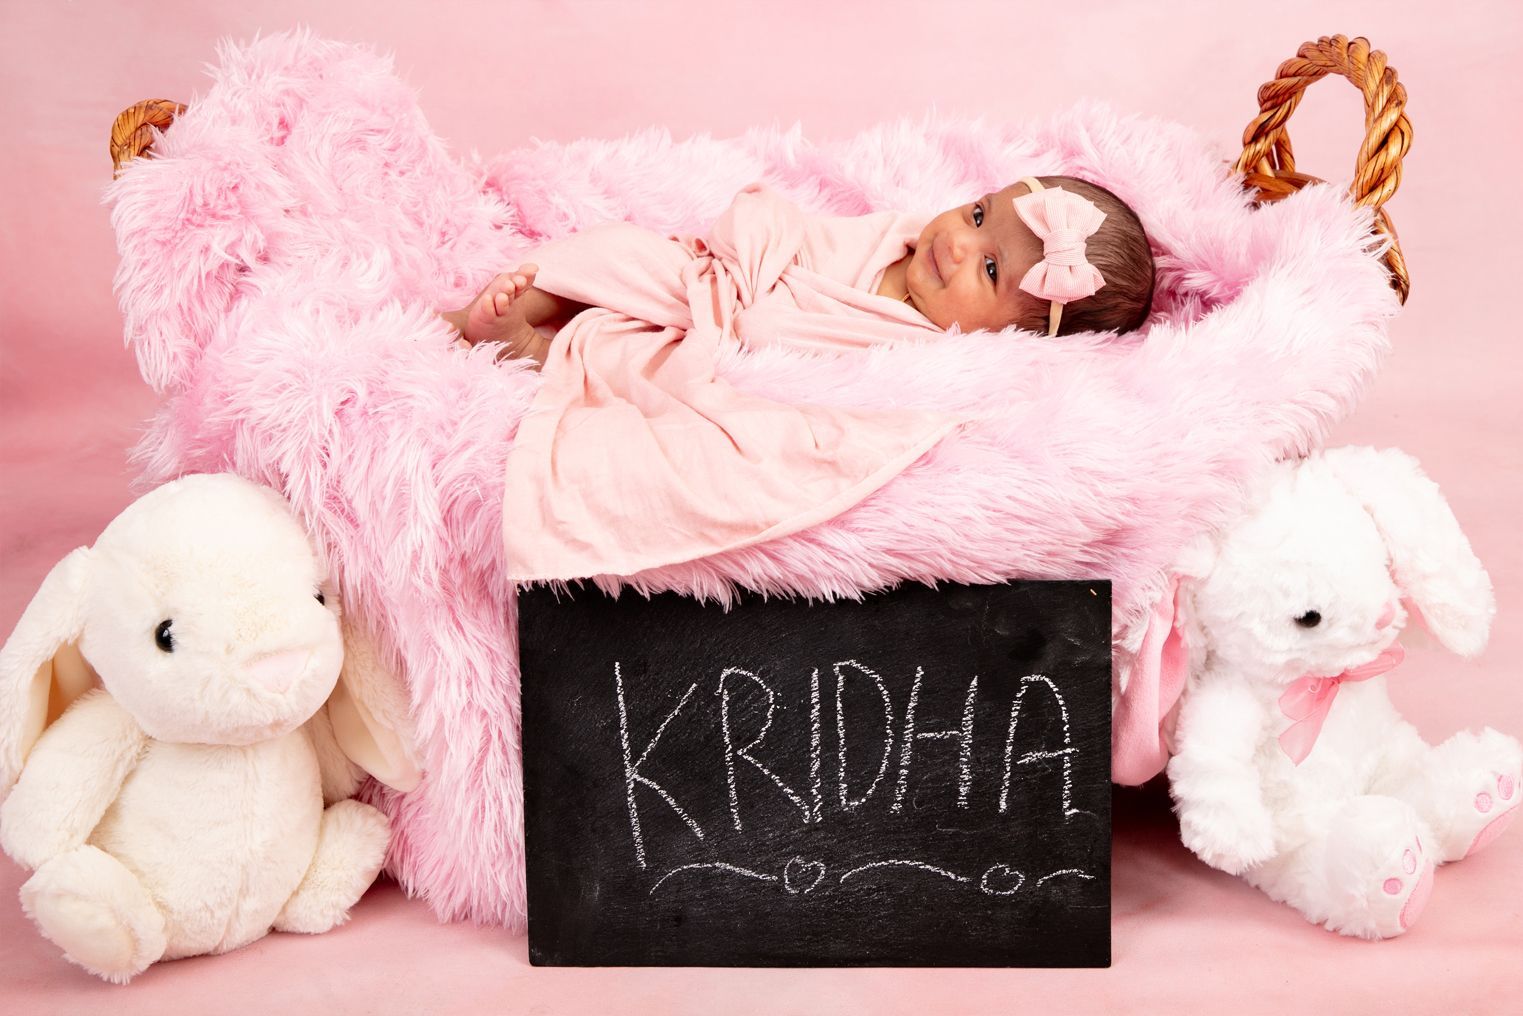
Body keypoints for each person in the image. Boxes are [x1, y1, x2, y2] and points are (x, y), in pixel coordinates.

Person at [446, 178, 1155, 582]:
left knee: (630, 364)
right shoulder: (906, 236)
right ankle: (521, 310)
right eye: (976, 214)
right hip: (716, 286)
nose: (958, 243)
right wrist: (750, 260)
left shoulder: (924, 349)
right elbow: (796, 233)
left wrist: (744, 320)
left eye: (991, 269)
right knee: (617, 255)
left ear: (1011, 338)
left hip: (725, 341)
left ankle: (530, 352)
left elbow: (804, 364)